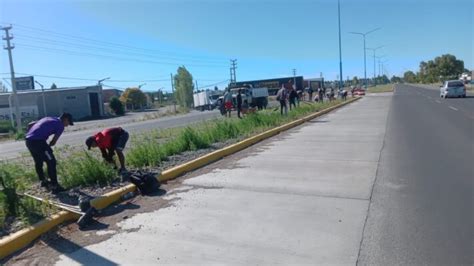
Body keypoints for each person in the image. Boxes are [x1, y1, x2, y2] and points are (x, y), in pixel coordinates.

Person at [25, 113, 74, 193]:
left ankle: (43, 181)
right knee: (51, 161)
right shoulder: (60, 125)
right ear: (65, 119)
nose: (67, 125)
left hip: (28, 141)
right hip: (39, 142)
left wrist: (32, 133)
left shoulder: (49, 118)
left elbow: (31, 124)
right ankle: (55, 186)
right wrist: (48, 146)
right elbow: (54, 141)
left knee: (38, 161)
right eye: (68, 123)